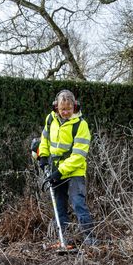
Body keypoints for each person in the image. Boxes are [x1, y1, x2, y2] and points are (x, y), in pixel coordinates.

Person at [36, 90, 95, 245]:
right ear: (56, 107)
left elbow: (78, 156)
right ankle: (65, 240)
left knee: (78, 204)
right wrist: (43, 156)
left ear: (74, 106)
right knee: (59, 205)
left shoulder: (81, 125)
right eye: (62, 109)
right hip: (56, 169)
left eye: (69, 109)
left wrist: (59, 172)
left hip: (74, 170)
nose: (65, 112)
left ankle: (91, 241)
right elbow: (45, 140)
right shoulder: (51, 119)